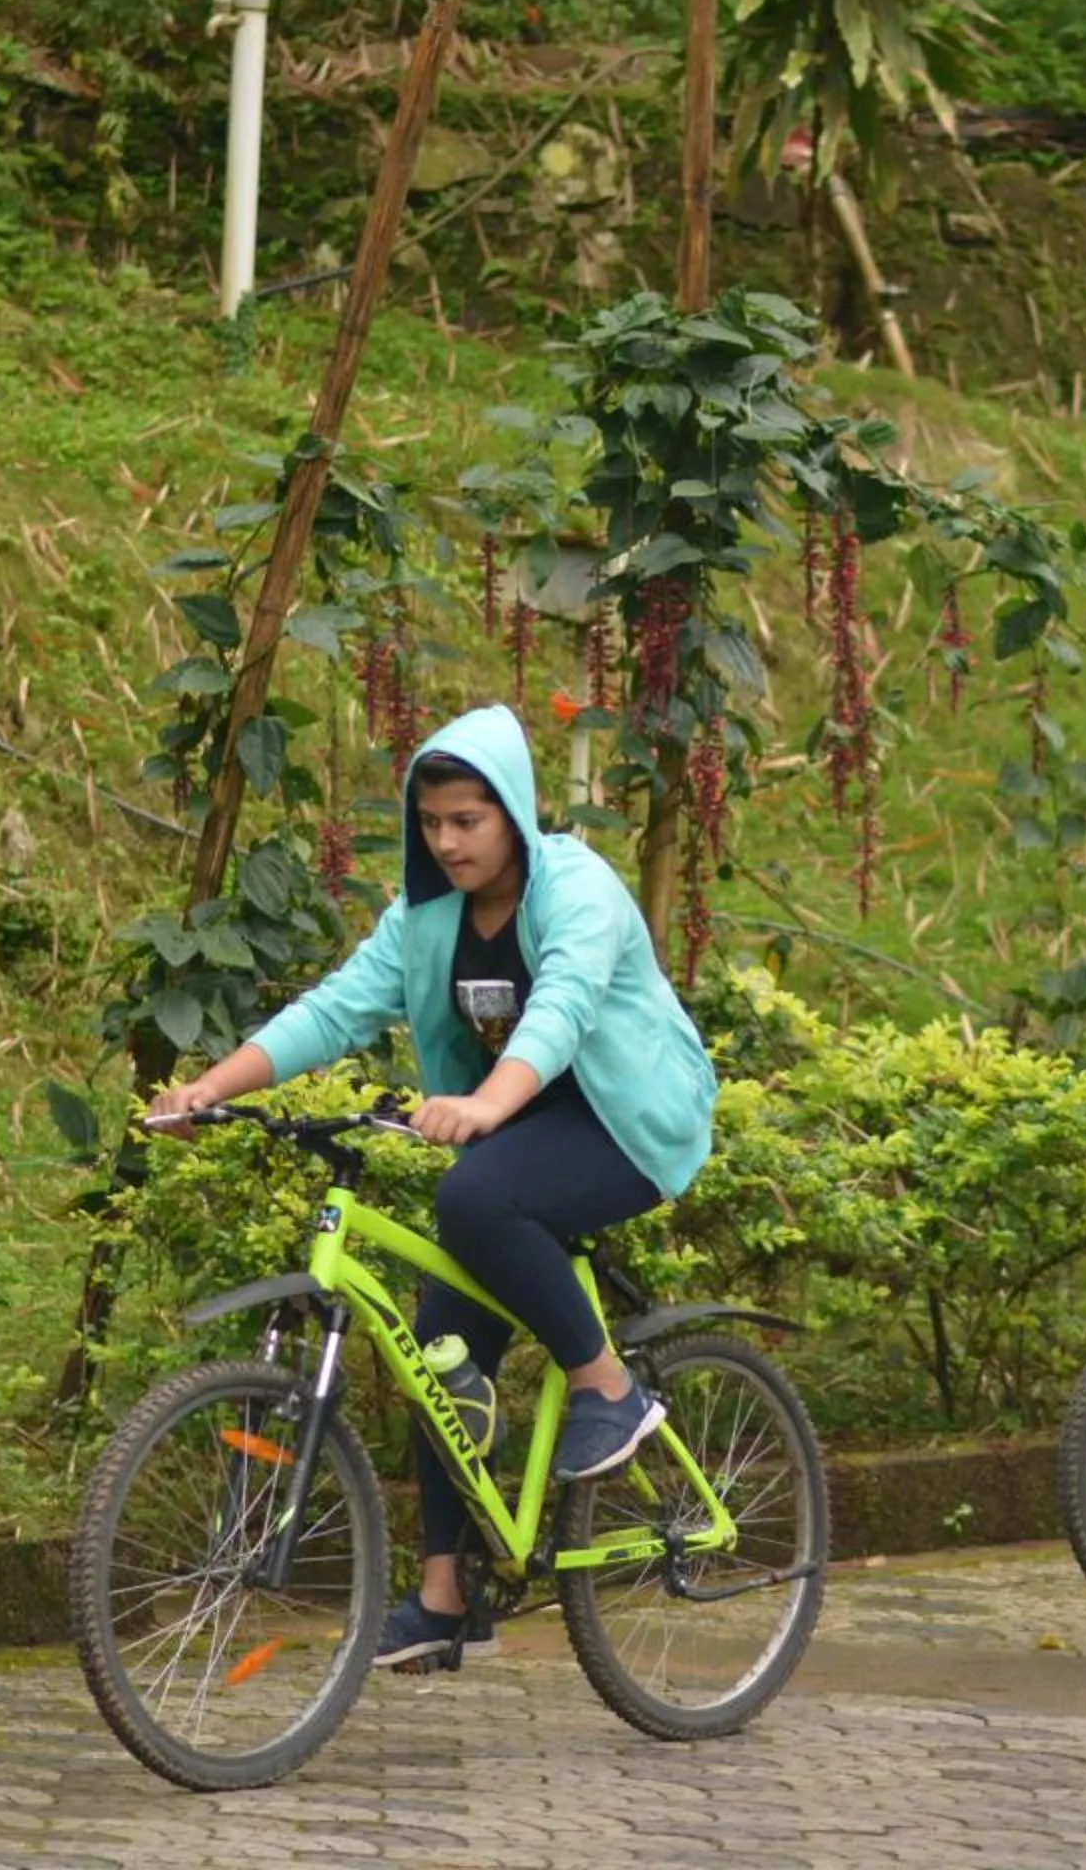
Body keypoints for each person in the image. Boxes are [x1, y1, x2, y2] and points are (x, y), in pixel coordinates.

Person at [151, 703, 719, 1664]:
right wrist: (213, 1085)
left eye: (469, 820)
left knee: (471, 1198)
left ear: (515, 814)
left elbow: (565, 1005)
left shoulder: (578, 888)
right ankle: (447, 1601)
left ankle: (608, 1388)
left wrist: (489, 1102)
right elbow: (334, 1010)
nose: (448, 842)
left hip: (624, 1121)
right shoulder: (427, 921)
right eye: (431, 823)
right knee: (439, 1349)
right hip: (519, 1135)